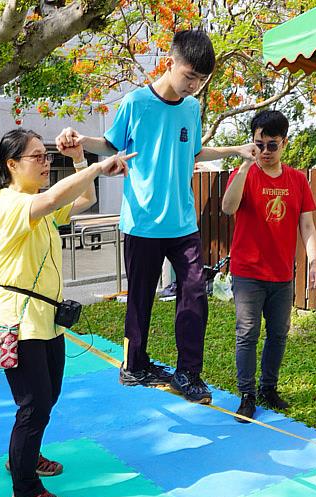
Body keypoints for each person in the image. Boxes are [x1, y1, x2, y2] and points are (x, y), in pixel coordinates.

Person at [57, 29, 258, 404]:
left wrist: (235, 149)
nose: (194, 86)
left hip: (183, 224)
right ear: (170, 64)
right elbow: (112, 144)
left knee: (195, 293)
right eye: (189, 77)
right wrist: (80, 141)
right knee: (140, 299)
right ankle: (134, 366)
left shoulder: (192, 108)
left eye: (200, 80)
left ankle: (188, 373)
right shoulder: (135, 103)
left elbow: (194, 152)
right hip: (142, 223)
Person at [0, 128, 134, 497]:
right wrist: (100, 167)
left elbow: (85, 198)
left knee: (47, 399)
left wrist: (81, 158)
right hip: (17, 321)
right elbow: (53, 198)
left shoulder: (37, 204)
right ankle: (25, 488)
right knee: (33, 406)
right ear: (12, 164)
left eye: (47, 156)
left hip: (47, 319)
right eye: (37, 157)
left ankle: (24, 457)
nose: (46, 163)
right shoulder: (9, 203)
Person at [221, 110, 316, 422]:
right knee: (247, 332)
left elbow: (307, 226)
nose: (265, 151)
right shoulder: (245, 173)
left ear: (284, 143)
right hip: (248, 271)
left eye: (271, 145)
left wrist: (314, 262)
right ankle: (247, 395)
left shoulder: (297, 180)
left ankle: (269, 388)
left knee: (278, 333)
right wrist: (245, 165)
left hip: (281, 273)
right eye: (259, 144)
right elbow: (227, 208)